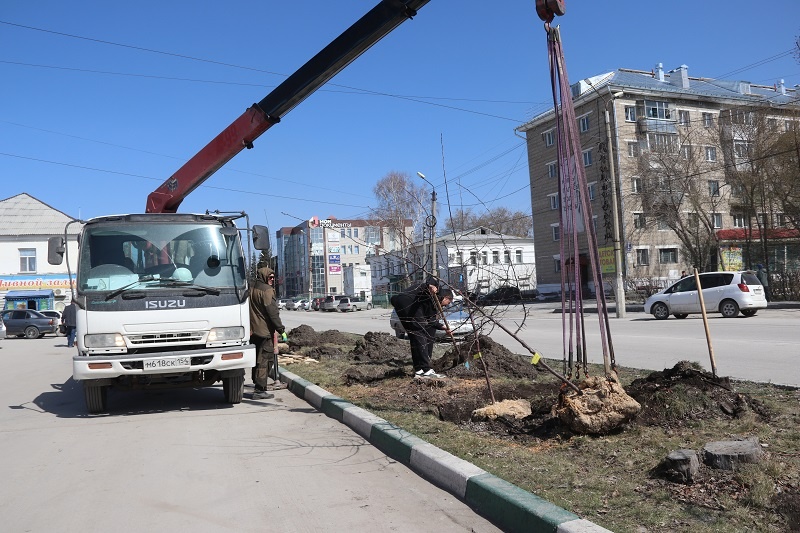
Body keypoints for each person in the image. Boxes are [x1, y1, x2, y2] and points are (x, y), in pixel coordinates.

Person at [390, 277, 453, 379]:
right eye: (448, 303)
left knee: (414, 336)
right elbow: (430, 280)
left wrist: (444, 328)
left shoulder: (433, 306)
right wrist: (432, 286)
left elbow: (432, 321)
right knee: (420, 334)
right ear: (446, 298)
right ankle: (426, 370)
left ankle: (419, 370)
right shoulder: (438, 292)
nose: (446, 306)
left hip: (401, 305)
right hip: (407, 300)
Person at [249, 267, 287, 400]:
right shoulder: (267, 291)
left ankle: (257, 384)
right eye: (270, 277)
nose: (272, 280)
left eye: (273, 277)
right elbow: (273, 312)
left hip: (252, 331)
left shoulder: (250, 288)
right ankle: (259, 390)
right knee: (265, 360)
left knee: (256, 360)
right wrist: (281, 329)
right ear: (264, 276)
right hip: (264, 331)